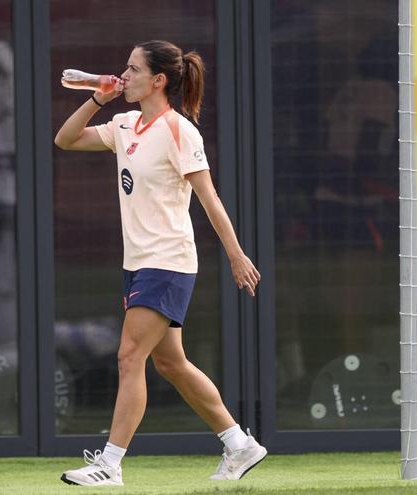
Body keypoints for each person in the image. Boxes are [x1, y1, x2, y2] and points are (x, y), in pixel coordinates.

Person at [54, 40, 266, 487]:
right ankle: (239, 444)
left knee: (130, 356)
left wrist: (235, 254)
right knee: (171, 364)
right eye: (124, 69)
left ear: (159, 80)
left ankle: (109, 464)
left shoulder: (180, 131)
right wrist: (98, 97)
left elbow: (209, 200)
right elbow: (66, 139)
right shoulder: (125, 124)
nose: (123, 76)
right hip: (138, 263)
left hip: (168, 262)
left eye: (132, 70)